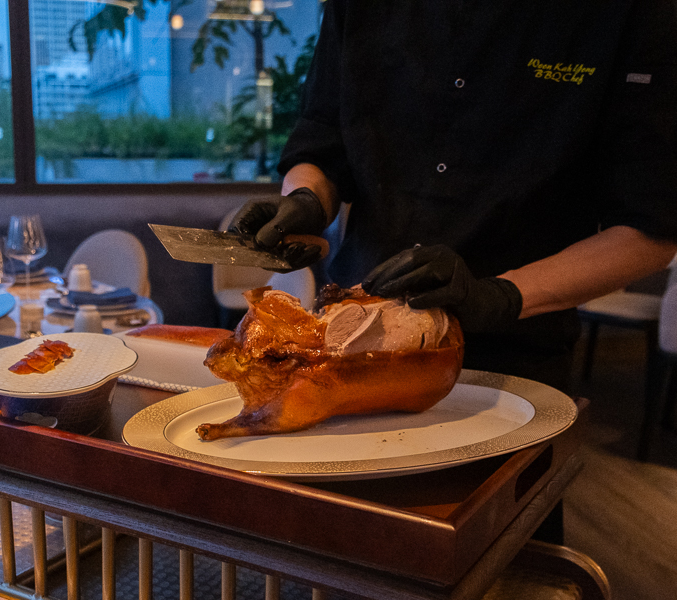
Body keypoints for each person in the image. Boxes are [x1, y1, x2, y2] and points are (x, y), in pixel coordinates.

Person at [230, 0, 677, 394]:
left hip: (512, 364)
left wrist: (496, 298)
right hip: (351, 336)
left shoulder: (628, 11)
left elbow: (649, 233)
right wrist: (307, 201)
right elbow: (322, 143)